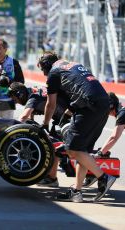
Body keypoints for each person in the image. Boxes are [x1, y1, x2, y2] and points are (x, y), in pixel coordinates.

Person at [38, 51, 116, 203]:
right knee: (83, 151)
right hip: (102, 104)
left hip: (88, 107)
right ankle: (76, 192)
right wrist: (67, 115)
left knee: (71, 149)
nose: (43, 73)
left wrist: (45, 124)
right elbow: (82, 88)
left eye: (42, 69)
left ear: (46, 65)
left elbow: (51, 104)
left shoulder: (54, 72)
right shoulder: (72, 65)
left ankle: (103, 178)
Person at [8, 82, 71, 187]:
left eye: (16, 99)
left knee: (61, 148)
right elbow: (29, 120)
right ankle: (51, 178)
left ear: (20, 94)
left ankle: (53, 177)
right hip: (61, 118)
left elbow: (23, 118)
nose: (17, 103)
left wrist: (9, 132)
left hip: (67, 118)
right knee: (54, 146)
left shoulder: (32, 97)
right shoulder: (32, 92)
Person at [83, 92, 124, 187]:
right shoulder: (121, 111)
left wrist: (100, 153)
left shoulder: (122, 114)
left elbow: (114, 137)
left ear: (110, 106)